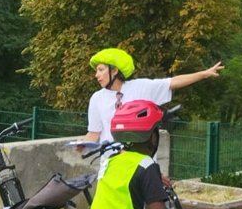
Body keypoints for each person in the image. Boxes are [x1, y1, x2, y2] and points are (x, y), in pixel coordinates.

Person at [85, 47, 223, 148]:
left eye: (101, 70)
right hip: (111, 163)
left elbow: (172, 82)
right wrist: (81, 145)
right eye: (96, 70)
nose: (96, 75)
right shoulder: (97, 98)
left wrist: (204, 74)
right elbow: (94, 133)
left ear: (114, 71)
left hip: (139, 161)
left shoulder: (141, 87)